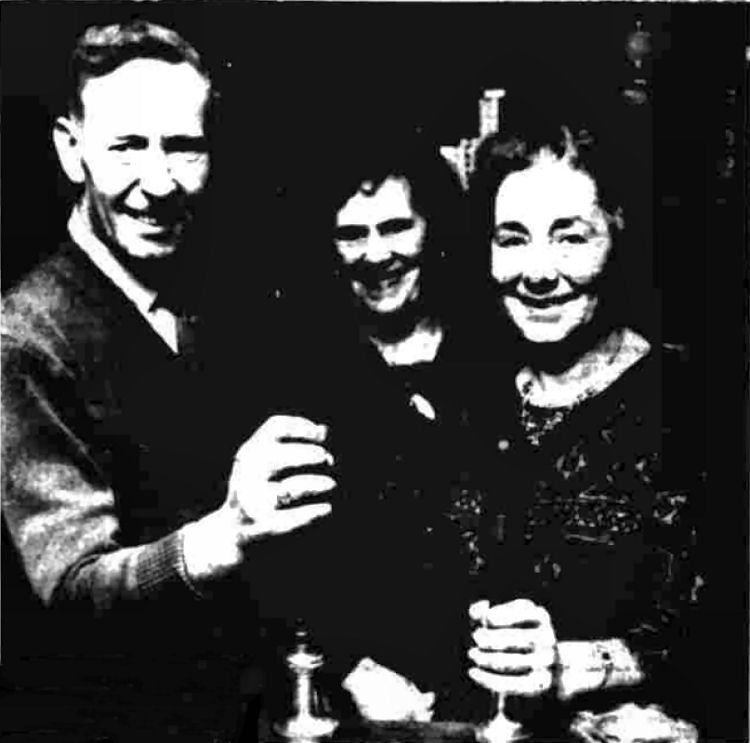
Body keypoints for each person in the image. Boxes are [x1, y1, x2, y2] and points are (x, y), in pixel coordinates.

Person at [1, 20, 337, 739]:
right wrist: (229, 531)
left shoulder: (218, 299)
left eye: (184, 147)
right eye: (126, 146)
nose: (158, 183)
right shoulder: (25, 340)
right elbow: (73, 589)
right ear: (71, 149)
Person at [456, 100, 706, 734]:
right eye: (513, 239)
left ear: (619, 238)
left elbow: (723, 629)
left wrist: (575, 666)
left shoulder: (694, 405)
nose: (538, 272)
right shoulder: (468, 397)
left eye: (570, 237)